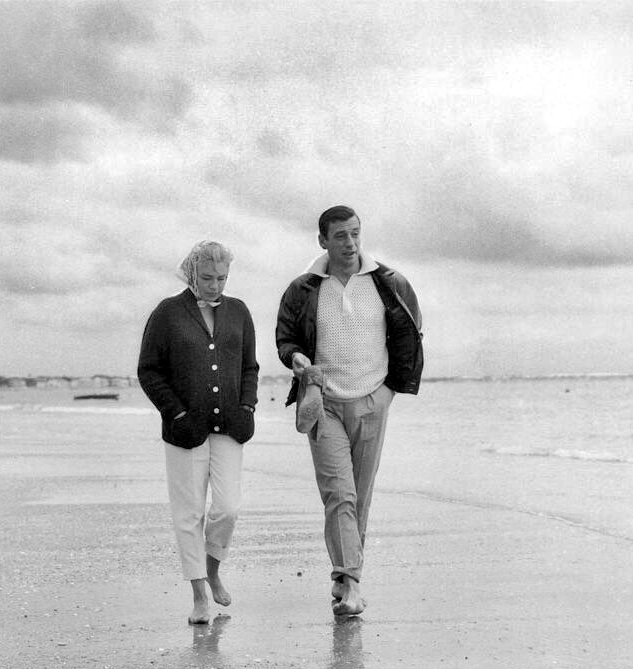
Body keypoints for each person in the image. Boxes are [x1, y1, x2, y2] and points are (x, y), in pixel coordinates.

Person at [275, 206, 423, 617]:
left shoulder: (388, 282)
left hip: (373, 399)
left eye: (355, 233)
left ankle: (344, 577)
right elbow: (285, 337)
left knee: (359, 495)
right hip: (323, 404)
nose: (350, 243)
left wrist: (390, 390)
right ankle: (352, 585)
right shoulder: (303, 288)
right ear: (323, 240)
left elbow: (410, 335)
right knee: (339, 493)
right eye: (340, 235)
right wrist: (295, 358)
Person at [138, 240, 259, 625]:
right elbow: (148, 371)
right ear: (191, 273)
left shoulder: (239, 311)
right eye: (207, 278)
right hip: (184, 430)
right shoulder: (167, 313)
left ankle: (213, 568)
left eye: (222, 278)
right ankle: (199, 596)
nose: (215, 285)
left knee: (227, 508)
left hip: (230, 426)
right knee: (188, 514)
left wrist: (247, 407)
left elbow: (250, 367)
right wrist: (176, 413)